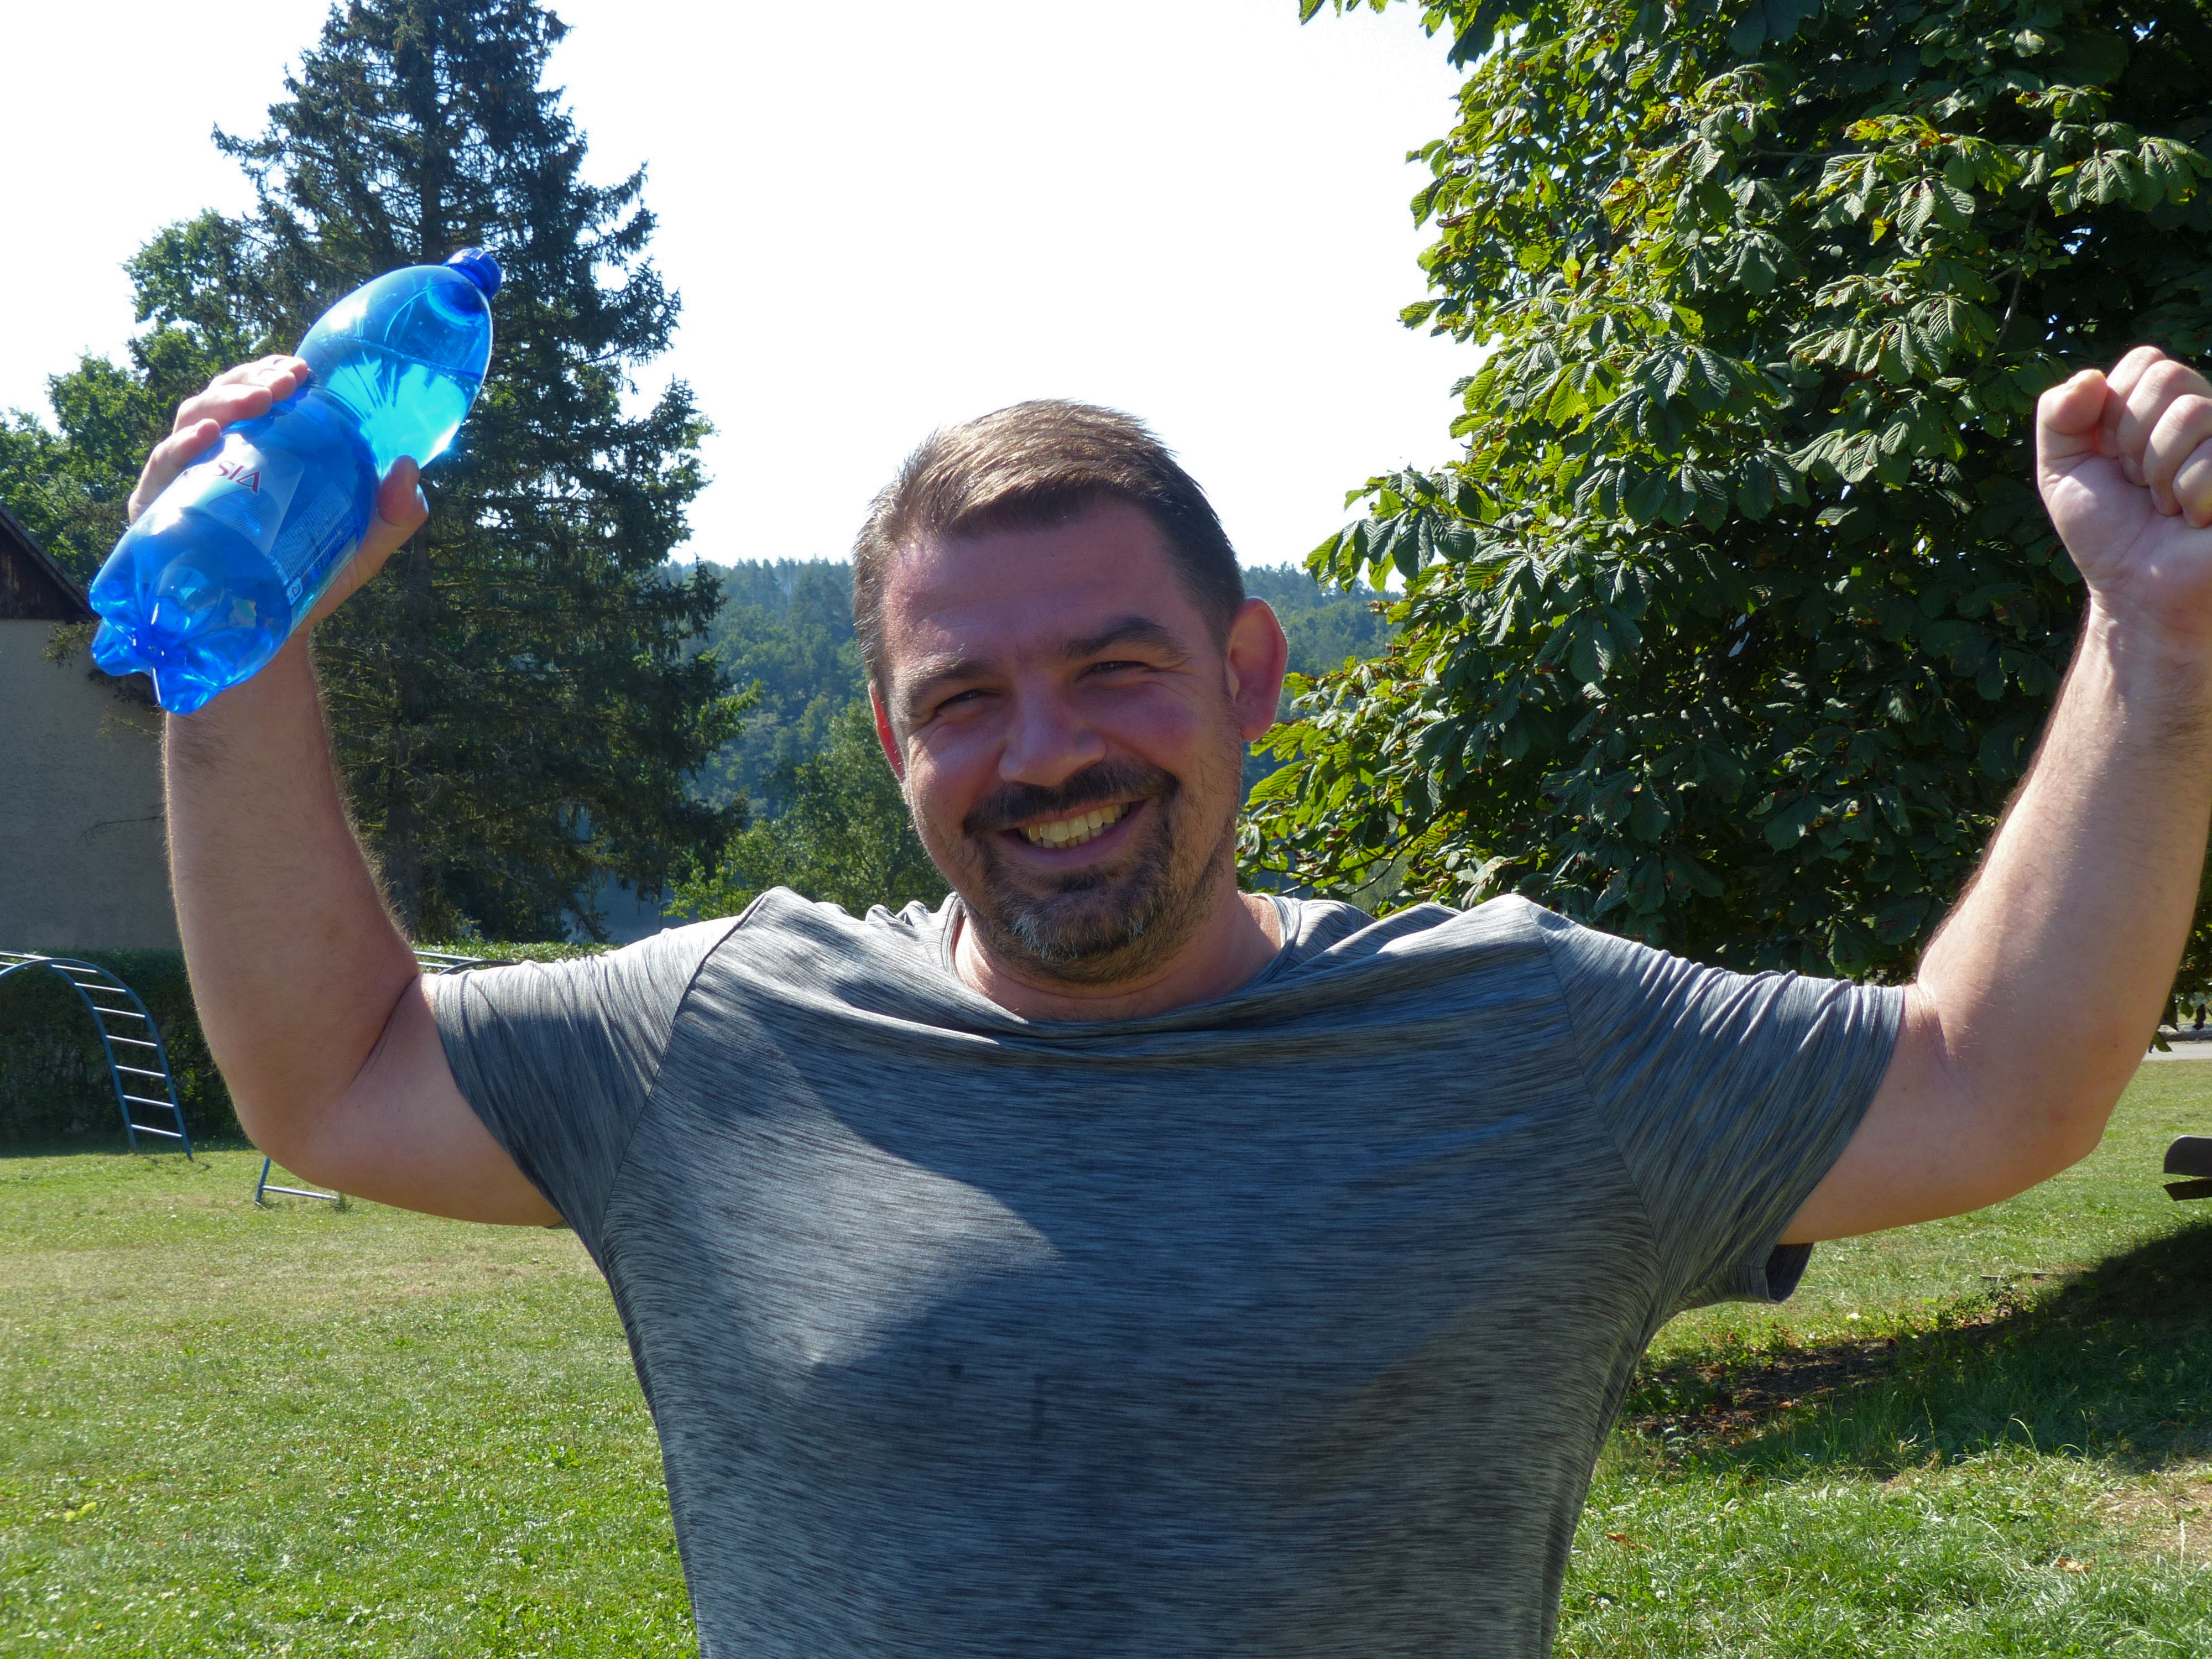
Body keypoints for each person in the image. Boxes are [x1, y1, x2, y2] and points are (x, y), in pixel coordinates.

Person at [153, 348, 2212, 1658]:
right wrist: (234, 650)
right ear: (891, 744)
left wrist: (2157, 638)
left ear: (1246, 677)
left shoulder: (1522, 1044)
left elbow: (1997, 1080)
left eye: (1114, 670)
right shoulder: (720, 1037)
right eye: (964, 697)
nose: (1044, 750)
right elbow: (333, 1082)